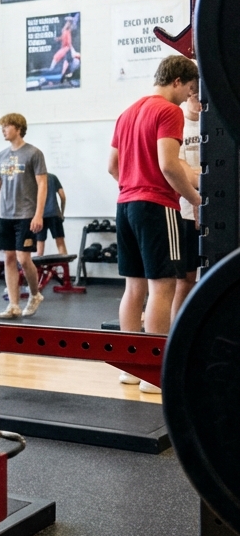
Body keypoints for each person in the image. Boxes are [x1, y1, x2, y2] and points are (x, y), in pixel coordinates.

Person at [109, 55, 200, 392]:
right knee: (162, 286)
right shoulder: (168, 110)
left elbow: (112, 166)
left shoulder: (127, 112)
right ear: (177, 80)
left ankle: (130, 367)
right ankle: (153, 370)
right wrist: (194, 198)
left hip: (125, 205)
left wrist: (133, 186)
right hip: (156, 206)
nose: (187, 96)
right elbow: (169, 164)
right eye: (188, 88)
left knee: (134, 288)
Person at [0, 113, 47, 319]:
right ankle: (14, 305)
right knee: (8, 257)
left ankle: (35, 295)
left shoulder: (34, 153)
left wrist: (39, 215)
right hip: (5, 214)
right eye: (3, 126)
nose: (3, 130)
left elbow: (43, 184)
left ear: (18, 128)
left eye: (7, 126)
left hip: (26, 213)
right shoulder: (1, 156)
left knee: (24, 259)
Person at [171, 92, 202, 322]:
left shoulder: (213, 121)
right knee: (186, 279)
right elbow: (179, 169)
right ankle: (175, 331)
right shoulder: (178, 122)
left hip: (216, 209)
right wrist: (205, 181)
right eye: (195, 96)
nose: (200, 102)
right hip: (186, 211)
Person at [35, 173, 67, 257]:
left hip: (39, 216)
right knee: (60, 243)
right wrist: (62, 213)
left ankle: (39, 269)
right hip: (54, 213)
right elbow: (62, 196)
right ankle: (65, 268)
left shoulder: (33, 178)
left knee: (40, 246)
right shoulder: (53, 177)